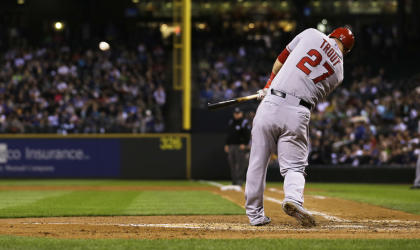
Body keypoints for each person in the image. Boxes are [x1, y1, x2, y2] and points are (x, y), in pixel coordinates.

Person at [245, 26, 355, 226]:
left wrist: (269, 85)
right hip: (299, 112)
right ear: (346, 50)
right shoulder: (339, 73)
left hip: (271, 103)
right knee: (294, 166)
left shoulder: (312, 33)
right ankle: (293, 199)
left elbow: (280, 61)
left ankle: (255, 216)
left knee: (258, 162)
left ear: (331, 34)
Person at [224, 107, 251, 190]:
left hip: (240, 146)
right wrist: (227, 144)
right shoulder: (231, 121)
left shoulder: (244, 122)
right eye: (235, 113)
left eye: (238, 113)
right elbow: (229, 134)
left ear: (241, 113)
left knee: (240, 164)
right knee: (232, 164)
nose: (236, 115)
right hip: (231, 145)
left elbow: (247, 134)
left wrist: (245, 144)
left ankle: (239, 181)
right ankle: (234, 181)